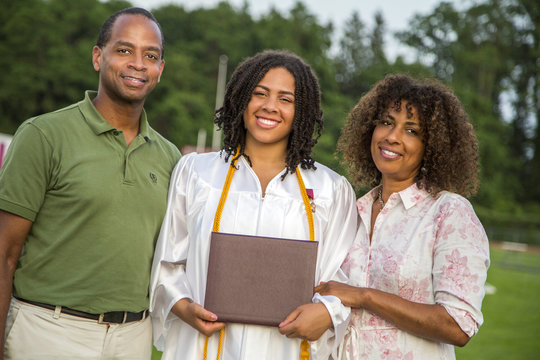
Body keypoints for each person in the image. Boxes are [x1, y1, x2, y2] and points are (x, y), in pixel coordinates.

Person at [149, 50, 358, 360]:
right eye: (259, 93)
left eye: (285, 99)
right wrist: (183, 306)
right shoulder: (196, 172)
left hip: (286, 349)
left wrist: (327, 313)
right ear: (241, 99)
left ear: (301, 111)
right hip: (202, 347)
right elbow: (168, 262)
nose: (270, 106)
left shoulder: (331, 190)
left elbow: (343, 278)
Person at [0, 7, 181, 360]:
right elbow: (4, 254)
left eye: (151, 55)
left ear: (160, 69)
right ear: (99, 57)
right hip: (49, 330)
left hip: (134, 337)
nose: (138, 64)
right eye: (124, 50)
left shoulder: (171, 158)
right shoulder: (44, 135)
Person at [315, 74, 490, 359]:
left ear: (432, 147)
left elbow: (458, 325)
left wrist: (363, 296)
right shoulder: (349, 211)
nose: (392, 137)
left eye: (411, 130)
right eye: (386, 122)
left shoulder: (448, 213)